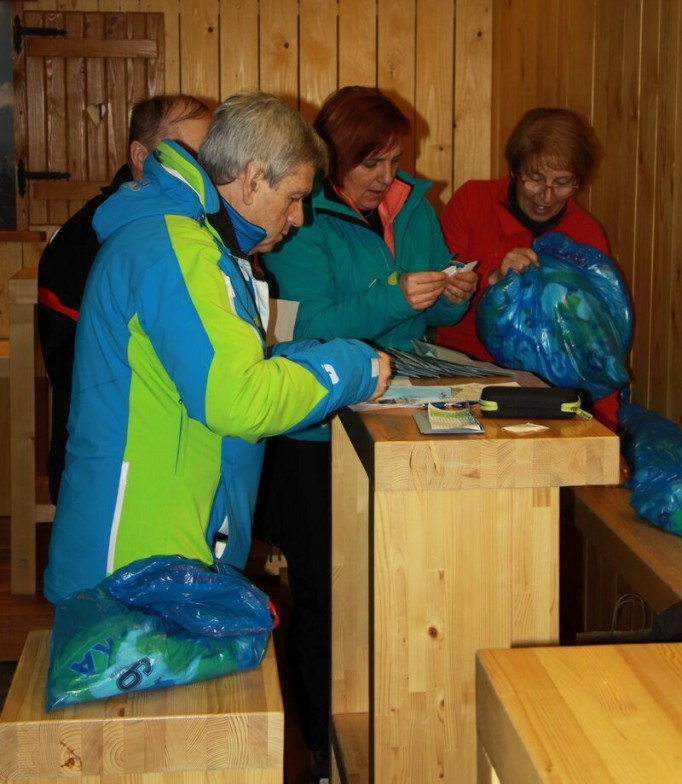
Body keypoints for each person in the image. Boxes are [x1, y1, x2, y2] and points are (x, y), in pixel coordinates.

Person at [43, 89, 392, 605]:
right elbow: (238, 400)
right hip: (137, 565)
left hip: (157, 550)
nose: (300, 216)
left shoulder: (193, 241)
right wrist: (353, 367)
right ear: (252, 179)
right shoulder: (179, 252)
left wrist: (308, 360)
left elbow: (215, 370)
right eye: (294, 196)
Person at [258, 85, 477, 782]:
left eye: (394, 160)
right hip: (317, 436)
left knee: (406, 587)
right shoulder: (300, 218)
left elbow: (432, 306)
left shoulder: (413, 204)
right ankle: (324, 748)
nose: (387, 177)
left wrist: (454, 292)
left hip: (400, 415)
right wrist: (393, 294)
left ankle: (400, 736)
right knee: (328, 598)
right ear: (333, 159)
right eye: (371, 163)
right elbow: (310, 327)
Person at [37, 93, 214, 503]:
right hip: (107, 464)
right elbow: (72, 368)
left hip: (177, 458)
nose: (202, 169)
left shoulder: (200, 227)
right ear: (140, 155)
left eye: (206, 156)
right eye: (188, 154)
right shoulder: (80, 241)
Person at [437, 106, 619, 427]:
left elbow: (594, 346)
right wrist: (493, 281)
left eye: (562, 182)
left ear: (578, 181)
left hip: (551, 393)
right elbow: (437, 302)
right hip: (466, 377)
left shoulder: (586, 237)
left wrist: (606, 432)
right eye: (534, 179)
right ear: (513, 169)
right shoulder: (473, 202)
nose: (546, 196)